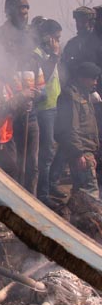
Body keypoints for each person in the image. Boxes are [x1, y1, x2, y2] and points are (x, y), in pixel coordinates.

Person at [0, 0, 40, 194]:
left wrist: (33, 95)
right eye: (20, 10)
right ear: (10, 12)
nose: (24, 14)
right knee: (11, 167)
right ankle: (12, 205)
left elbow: (37, 66)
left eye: (26, 9)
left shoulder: (29, 35)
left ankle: (32, 206)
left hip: (29, 111)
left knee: (31, 165)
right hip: (7, 113)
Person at [55, 61, 102, 202]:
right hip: (82, 152)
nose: (95, 82)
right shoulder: (71, 97)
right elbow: (71, 128)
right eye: (92, 79)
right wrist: (78, 153)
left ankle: (76, 221)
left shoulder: (84, 94)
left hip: (86, 150)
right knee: (90, 194)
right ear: (82, 78)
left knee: (80, 193)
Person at [32, 20, 64, 204]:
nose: (58, 42)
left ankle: (50, 186)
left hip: (54, 106)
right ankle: (42, 196)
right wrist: (54, 56)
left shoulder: (47, 53)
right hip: (44, 110)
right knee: (45, 154)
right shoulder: (38, 55)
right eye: (56, 38)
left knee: (53, 150)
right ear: (48, 37)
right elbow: (44, 75)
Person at [61, 6, 101, 84]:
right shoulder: (72, 43)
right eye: (77, 22)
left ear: (91, 22)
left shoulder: (98, 43)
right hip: (77, 86)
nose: (79, 25)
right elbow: (65, 66)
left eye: (83, 22)